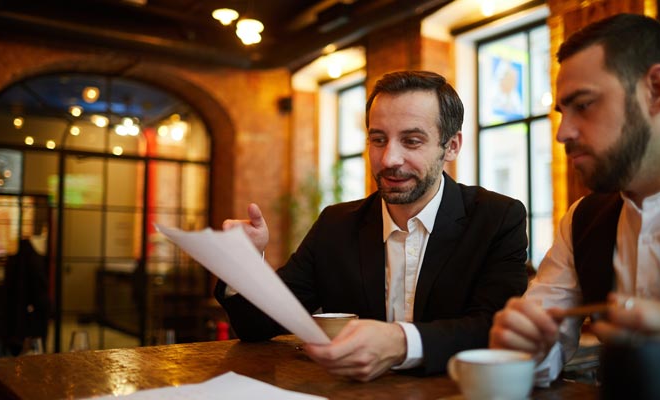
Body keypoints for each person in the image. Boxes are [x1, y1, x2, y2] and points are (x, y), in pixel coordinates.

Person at [216, 70, 529, 381]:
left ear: (451, 146)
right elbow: (256, 324)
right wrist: (242, 262)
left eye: (412, 141)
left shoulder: (496, 218)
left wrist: (401, 343)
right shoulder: (336, 225)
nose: (389, 158)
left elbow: (495, 329)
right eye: (378, 139)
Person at [488, 13, 660, 391]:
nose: (563, 133)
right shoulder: (583, 220)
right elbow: (539, 355)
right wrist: (520, 347)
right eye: (562, 113)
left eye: (584, 105)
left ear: (657, 90)